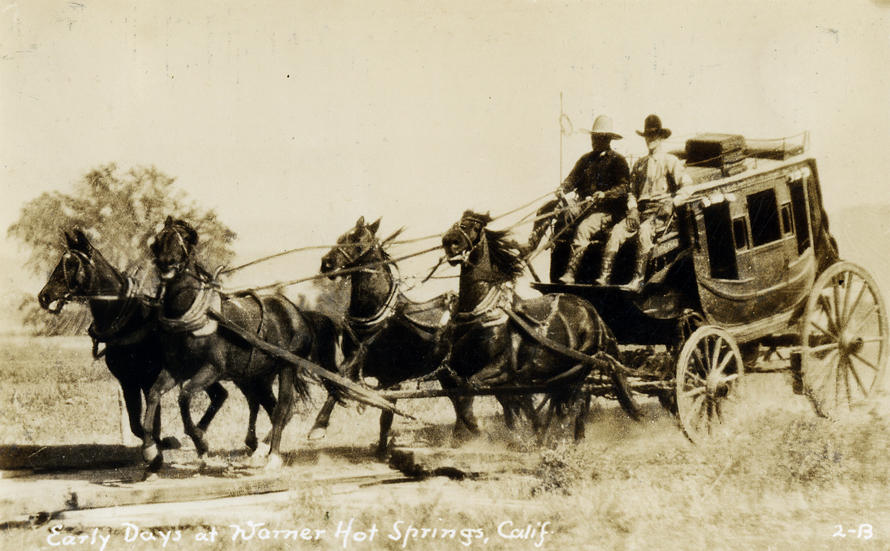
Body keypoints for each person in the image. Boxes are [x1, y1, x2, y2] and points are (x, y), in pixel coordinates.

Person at [525, 115, 630, 284]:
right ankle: (531, 245)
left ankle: (571, 273)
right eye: (593, 137)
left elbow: (624, 188)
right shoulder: (585, 159)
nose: (594, 140)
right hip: (582, 204)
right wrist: (562, 189)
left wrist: (605, 194)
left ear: (608, 139)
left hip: (605, 210)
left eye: (598, 137)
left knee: (583, 228)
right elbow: (572, 179)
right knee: (552, 207)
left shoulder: (618, 161)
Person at [604, 114, 692, 291]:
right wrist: (633, 209)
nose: (649, 140)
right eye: (647, 136)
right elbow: (631, 193)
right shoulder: (639, 165)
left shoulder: (670, 161)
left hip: (660, 214)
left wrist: (673, 202)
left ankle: (638, 279)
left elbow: (688, 187)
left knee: (644, 232)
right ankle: (604, 278)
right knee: (616, 232)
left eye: (653, 136)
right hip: (640, 212)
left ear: (660, 137)